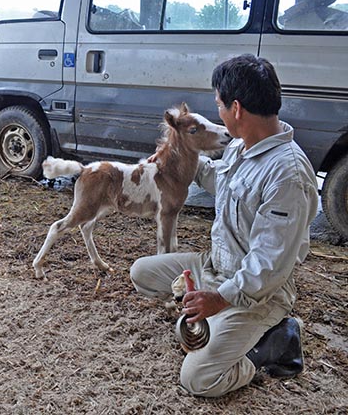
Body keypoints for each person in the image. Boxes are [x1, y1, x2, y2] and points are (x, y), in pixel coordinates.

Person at [130, 54, 318, 397]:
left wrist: (218, 300)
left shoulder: (287, 175)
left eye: (218, 105)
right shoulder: (242, 147)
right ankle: (218, 322)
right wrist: (178, 156)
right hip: (215, 264)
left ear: (237, 109)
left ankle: (269, 346)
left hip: (259, 291)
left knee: (198, 378)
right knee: (141, 272)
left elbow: (267, 267)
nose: (217, 113)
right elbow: (221, 180)